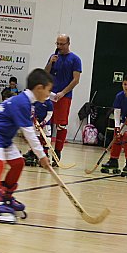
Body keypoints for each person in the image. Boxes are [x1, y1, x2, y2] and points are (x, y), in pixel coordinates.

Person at [0, 68, 52, 223]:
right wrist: (42, 156)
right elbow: (29, 134)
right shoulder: (22, 102)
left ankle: (5, 195)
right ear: (39, 88)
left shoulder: (27, 101)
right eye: (48, 90)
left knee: (18, 163)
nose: (48, 95)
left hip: (4, 137)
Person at [45, 34, 82, 164]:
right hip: (49, 95)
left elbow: (76, 80)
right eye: (57, 44)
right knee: (45, 123)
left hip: (64, 97)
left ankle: (58, 152)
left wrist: (63, 92)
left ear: (68, 44)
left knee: (61, 125)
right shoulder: (53, 56)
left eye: (62, 44)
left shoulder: (75, 59)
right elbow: (45, 73)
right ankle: (43, 152)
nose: (59, 47)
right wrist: (50, 63)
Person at [22, 97, 53, 166]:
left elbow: (49, 114)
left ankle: (45, 155)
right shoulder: (36, 100)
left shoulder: (49, 103)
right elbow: (32, 109)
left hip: (46, 125)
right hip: (36, 123)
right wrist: (33, 117)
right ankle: (33, 155)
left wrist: (43, 122)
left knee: (47, 139)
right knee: (35, 139)